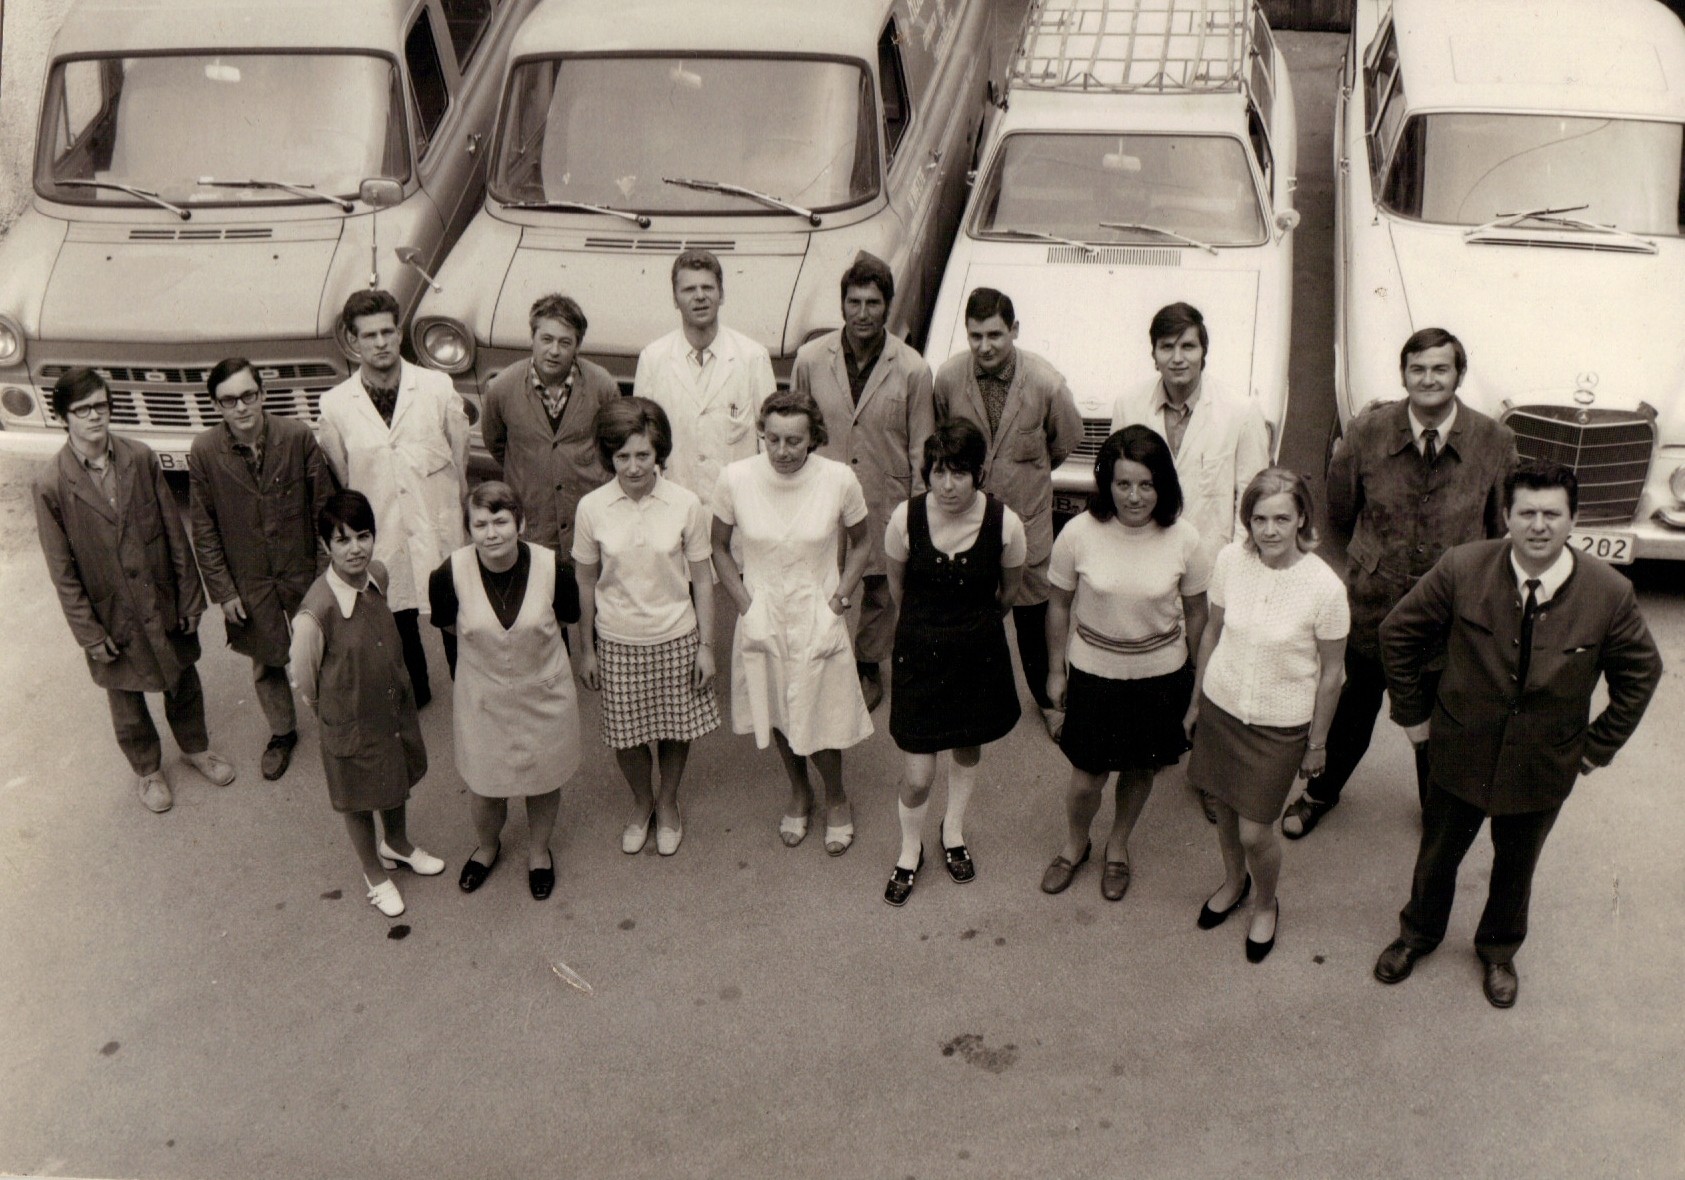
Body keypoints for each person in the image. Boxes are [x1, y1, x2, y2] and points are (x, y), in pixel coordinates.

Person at [1373, 461, 1661, 1008]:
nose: (1538, 525)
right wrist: (1412, 716)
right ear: (1505, 516)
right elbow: (1398, 634)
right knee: (1437, 855)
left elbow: (1642, 674)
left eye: (1552, 513)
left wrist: (1597, 747)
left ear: (1573, 521)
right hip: (1458, 751)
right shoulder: (1462, 567)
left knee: (1516, 866)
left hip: (1543, 765)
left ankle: (1499, 950)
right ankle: (1417, 935)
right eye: (1526, 512)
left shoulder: (1610, 593)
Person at [1285, 328, 1514, 839]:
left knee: (1439, 719)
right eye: (1418, 369)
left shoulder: (1495, 441)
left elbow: (1500, 530)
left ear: (1459, 374)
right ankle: (1320, 793)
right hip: (1372, 606)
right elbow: (1340, 508)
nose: (1428, 379)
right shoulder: (1367, 432)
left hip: (1449, 613)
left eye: (1440, 369)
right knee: (1352, 708)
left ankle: (1438, 809)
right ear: (1404, 375)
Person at [34, 367, 236, 813]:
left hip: (160, 596)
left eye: (101, 406)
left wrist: (189, 596)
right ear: (63, 417)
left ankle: (196, 747)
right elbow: (61, 571)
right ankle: (147, 770)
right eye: (82, 410)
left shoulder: (140, 458)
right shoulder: (51, 484)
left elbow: (173, 530)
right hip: (111, 613)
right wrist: (89, 633)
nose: (94, 417)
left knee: (182, 675)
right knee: (125, 693)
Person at [1111, 303, 1269, 823]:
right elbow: (1119, 483)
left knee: (1211, 666)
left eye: (1188, 346)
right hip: (1147, 555)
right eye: (1167, 347)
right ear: (1153, 353)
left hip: (1213, 564)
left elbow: (1252, 493)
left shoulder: (1241, 411)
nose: (1178, 358)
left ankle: (1207, 774)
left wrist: (1242, 564)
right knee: (1154, 653)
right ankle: (1158, 746)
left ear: (1204, 351)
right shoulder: (1129, 403)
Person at [1039, 427, 1210, 902]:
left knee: (1140, 769)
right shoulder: (1078, 533)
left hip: (1160, 677)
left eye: (1147, 485)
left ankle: (1118, 845)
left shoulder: (1185, 539)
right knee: (1085, 778)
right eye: (1123, 484)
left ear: (1163, 486)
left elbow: (1198, 615)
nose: (1135, 497)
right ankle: (1076, 843)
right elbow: (1058, 604)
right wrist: (1056, 670)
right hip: (1095, 675)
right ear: (1106, 484)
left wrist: (1199, 689)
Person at [1186, 469, 1348, 963]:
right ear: (1247, 521)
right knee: (1224, 811)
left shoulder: (1325, 587)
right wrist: (1196, 702)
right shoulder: (1231, 561)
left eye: (1282, 518)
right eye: (1259, 518)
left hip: (1279, 727)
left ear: (1302, 518)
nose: (1270, 530)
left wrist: (1316, 743)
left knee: (1256, 831)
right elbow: (1212, 634)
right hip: (1222, 706)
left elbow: (1332, 674)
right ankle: (1234, 882)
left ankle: (1265, 902)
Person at [711, 389, 873, 856]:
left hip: (817, 613)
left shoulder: (839, 479)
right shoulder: (735, 478)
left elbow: (862, 543)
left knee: (822, 710)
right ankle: (799, 792)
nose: (782, 452)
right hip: (760, 612)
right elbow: (719, 547)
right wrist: (745, 606)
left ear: (814, 439)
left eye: (794, 442)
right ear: (762, 434)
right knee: (778, 708)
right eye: (774, 439)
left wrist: (839, 601)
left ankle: (837, 797)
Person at [881, 420, 1025, 906]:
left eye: (959, 473)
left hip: (976, 656)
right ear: (927, 472)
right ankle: (909, 849)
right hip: (921, 656)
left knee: (967, 749)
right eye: (938, 472)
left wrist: (969, 627)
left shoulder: (1006, 523)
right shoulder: (905, 518)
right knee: (918, 774)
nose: (947, 485)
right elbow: (899, 589)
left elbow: (1008, 593)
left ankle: (954, 831)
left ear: (978, 473)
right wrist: (927, 628)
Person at [931, 287, 1082, 737]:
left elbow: (1064, 441)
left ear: (1014, 330)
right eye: (975, 335)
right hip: (968, 525)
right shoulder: (949, 377)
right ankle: (963, 699)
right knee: (966, 616)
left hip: (1029, 525)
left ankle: (1051, 703)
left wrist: (1027, 476)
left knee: (1035, 623)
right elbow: (943, 438)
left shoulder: (1046, 382)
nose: (985, 346)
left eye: (995, 334)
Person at [574, 398, 720, 858]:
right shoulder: (592, 507)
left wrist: (707, 646)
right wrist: (588, 649)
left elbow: (702, 578)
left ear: (659, 452)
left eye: (642, 455)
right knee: (627, 734)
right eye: (621, 457)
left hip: (677, 634)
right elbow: (583, 580)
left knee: (676, 728)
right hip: (618, 638)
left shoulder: (686, 503)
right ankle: (642, 803)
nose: (633, 467)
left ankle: (669, 801)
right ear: (608, 457)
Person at [290, 491, 445, 918]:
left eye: (363, 536)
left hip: (390, 708)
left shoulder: (378, 574)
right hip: (348, 719)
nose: (355, 548)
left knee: (395, 776)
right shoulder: (315, 611)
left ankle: (396, 843)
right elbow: (304, 674)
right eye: (342, 540)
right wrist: (327, 707)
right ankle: (374, 873)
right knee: (357, 797)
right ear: (326, 547)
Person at [793, 251, 935, 711]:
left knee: (880, 588)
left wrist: (917, 513)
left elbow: (922, 449)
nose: (862, 313)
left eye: (873, 303)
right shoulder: (811, 359)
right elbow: (795, 427)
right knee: (819, 580)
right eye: (854, 302)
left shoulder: (913, 368)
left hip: (884, 496)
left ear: (888, 307)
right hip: (821, 496)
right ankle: (816, 662)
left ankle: (867, 665)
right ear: (842, 305)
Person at [315, 288, 470, 707]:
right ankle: (416, 690)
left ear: (399, 333)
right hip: (381, 527)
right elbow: (344, 478)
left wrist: (458, 503)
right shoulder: (334, 406)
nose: (381, 342)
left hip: (433, 518)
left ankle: (469, 688)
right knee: (397, 612)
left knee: (452, 607)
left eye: (387, 331)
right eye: (369, 335)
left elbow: (459, 455)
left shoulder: (437, 386)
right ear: (353, 341)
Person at [428, 482, 581, 899]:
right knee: (484, 783)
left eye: (501, 521)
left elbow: (566, 621)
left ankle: (538, 852)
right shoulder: (447, 574)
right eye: (480, 524)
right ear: (469, 529)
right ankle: (487, 847)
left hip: (544, 693)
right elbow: (449, 628)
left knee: (544, 776)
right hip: (482, 697)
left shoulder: (556, 569)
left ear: (521, 523)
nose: (491, 533)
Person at [188, 358, 336, 780]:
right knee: (267, 660)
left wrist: (326, 573)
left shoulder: (295, 436)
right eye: (229, 400)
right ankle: (282, 732)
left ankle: (338, 720)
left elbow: (322, 506)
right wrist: (224, 591)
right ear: (217, 406)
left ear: (263, 394)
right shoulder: (204, 452)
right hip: (249, 580)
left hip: (303, 568)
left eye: (248, 395)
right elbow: (204, 528)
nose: (241, 407)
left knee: (325, 649)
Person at [479, 292, 621, 555]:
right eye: (546, 339)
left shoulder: (602, 385)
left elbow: (614, 446)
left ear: (577, 346)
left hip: (590, 523)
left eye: (565, 342)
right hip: (533, 523)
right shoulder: (502, 388)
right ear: (532, 338)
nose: (554, 351)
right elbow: (497, 444)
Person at [633, 248, 776, 506]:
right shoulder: (652, 359)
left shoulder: (753, 357)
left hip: (738, 513)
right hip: (672, 511)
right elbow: (641, 442)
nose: (700, 297)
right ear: (675, 299)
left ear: (721, 295)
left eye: (708, 288)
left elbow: (769, 440)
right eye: (689, 290)